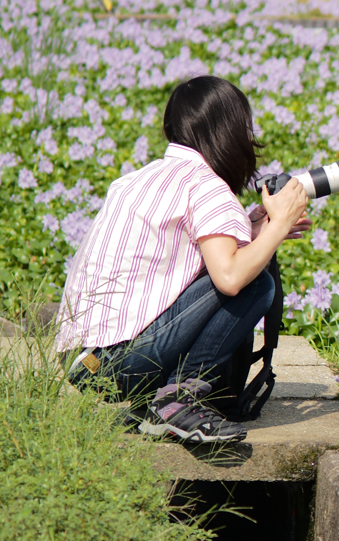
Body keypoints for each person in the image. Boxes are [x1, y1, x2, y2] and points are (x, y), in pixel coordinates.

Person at [54, 76, 311, 443]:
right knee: (257, 282)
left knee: (245, 269)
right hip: (121, 364)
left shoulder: (135, 180)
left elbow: (175, 266)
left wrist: (253, 235)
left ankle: (157, 404)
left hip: (81, 364)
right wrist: (279, 224)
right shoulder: (207, 186)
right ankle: (179, 400)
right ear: (231, 132)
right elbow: (230, 277)